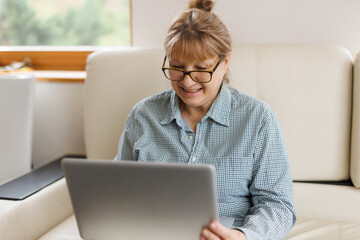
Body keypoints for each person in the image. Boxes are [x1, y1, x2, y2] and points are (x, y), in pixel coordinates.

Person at [114, 0, 296, 239]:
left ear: (225, 61)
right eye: (177, 67)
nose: (187, 82)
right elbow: (117, 191)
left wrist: (243, 236)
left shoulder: (257, 119)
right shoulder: (143, 116)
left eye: (201, 68)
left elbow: (279, 206)